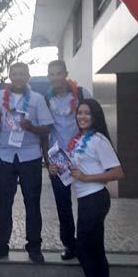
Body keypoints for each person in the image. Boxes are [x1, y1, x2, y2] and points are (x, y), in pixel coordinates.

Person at [49, 98, 124, 277]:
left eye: (87, 113)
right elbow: (74, 172)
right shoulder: (77, 140)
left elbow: (117, 172)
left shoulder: (99, 140)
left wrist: (86, 177)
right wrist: (56, 168)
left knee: (86, 249)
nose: (82, 117)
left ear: (95, 116)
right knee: (94, 249)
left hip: (96, 199)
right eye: (79, 113)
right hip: (84, 200)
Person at [0, 62, 53, 263]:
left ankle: (34, 247)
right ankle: (1, 246)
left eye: (23, 73)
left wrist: (31, 127)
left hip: (30, 156)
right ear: (10, 75)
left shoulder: (38, 99)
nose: (19, 77)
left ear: (28, 76)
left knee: (32, 203)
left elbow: (47, 128)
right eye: (15, 73)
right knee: (3, 203)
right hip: (4, 155)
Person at [46, 60, 91, 260]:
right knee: (63, 205)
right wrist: (47, 161)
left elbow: (94, 119)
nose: (56, 77)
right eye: (52, 74)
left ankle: (86, 244)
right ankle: (70, 245)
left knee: (87, 202)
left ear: (66, 73)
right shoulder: (45, 99)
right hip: (59, 160)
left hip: (82, 155)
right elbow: (44, 131)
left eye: (59, 73)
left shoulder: (82, 94)